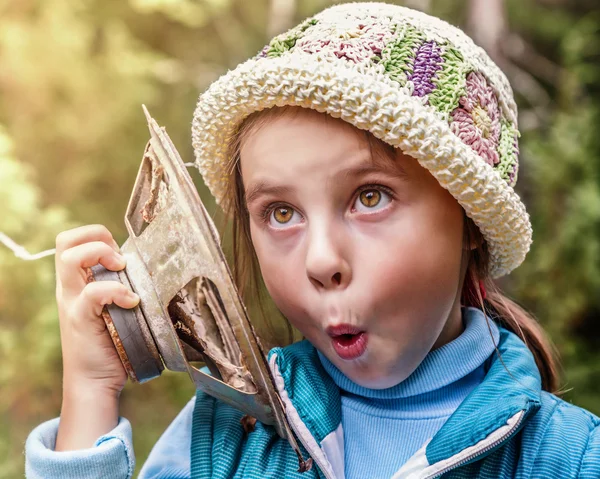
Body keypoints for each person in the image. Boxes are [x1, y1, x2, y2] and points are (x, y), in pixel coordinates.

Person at [25, 3, 600, 478]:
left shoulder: (569, 458)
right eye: (280, 212)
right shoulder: (222, 440)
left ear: (470, 224)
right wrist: (91, 393)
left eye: (370, 197)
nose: (321, 261)